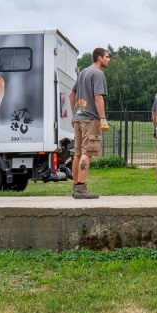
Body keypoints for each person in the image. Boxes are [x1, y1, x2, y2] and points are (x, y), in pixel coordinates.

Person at [69, 48, 111, 199]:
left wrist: (74, 114)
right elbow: (98, 97)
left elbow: (71, 94)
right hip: (90, 119)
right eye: (107, 57)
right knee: (87, 153)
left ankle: (76, 187)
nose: (109, 60)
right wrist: (103, 118)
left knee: (78, 153)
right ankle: (81, 188)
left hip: (79, 118)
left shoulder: (83, 72)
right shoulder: (97, 73)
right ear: (99, 58)